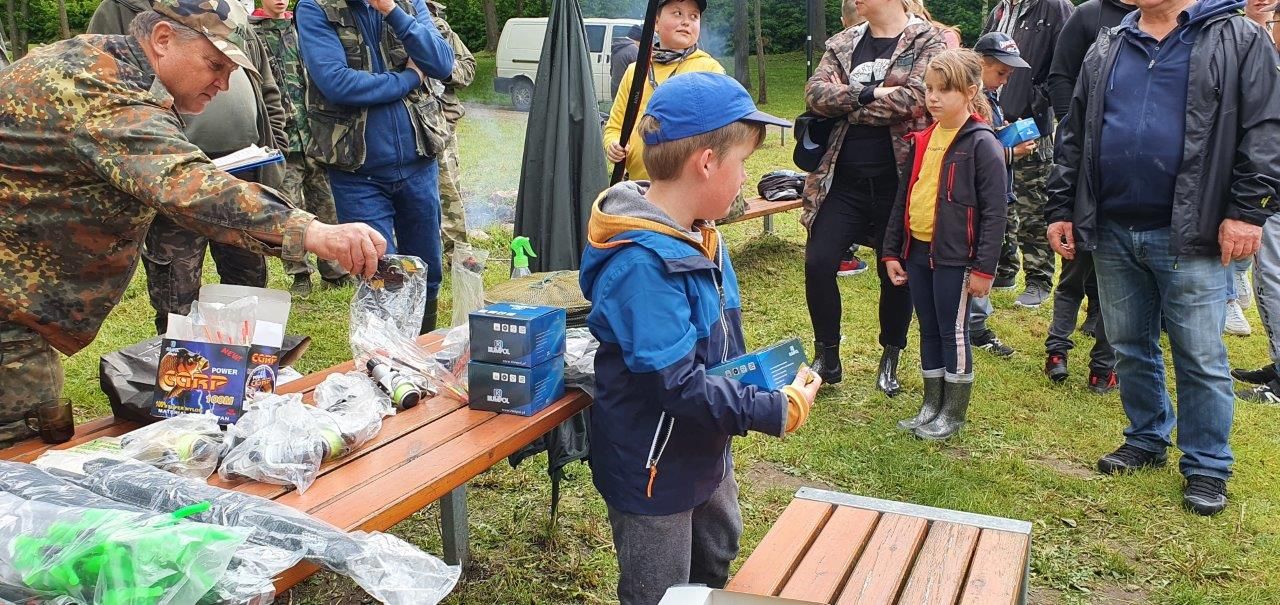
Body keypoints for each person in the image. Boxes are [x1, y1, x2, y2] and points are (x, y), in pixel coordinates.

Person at [0, 0, 386, 449]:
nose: (223, 84)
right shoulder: (104, 91)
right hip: (9, 314)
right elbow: (186, 184)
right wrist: (314, 232)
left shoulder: (97, 62)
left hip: (17, 302)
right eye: (214, 64)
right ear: (163, 39)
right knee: (17, 460)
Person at [580, 72, 819, 605]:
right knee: (660, 589)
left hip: (706, 443)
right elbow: (679, 385)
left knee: (715, 553)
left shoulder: (703, 236)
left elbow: (717, 350)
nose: (745, 178)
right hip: (653, 467)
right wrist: (772, 410)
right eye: (742, 164)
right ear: (706, 162)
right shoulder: (642, 266)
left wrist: (760, 378)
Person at [1047, 0, 1280, 515]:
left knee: (1199, 355)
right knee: (1129, 344)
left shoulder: (1238, 38)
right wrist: (1062, 205)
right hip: (1111, 228)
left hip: (1192, 232)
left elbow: (1267, 128)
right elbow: (1075, 130)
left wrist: (1248, 211)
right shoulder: (1108, 42)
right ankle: (1147, 438)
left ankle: (1207, 466)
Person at [88, 0, 289, 334]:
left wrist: (276, 149)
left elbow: (267, 89)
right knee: (176, 287)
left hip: (245, 167)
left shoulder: (231, 11)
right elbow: (107, 93)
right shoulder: (121, 9)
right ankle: (178, 365)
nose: (222, 81)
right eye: (214, 66)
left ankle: (242, 362)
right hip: (170, 175)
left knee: (248, 276)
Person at [801, 0, 945, 394]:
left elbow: (915, 99)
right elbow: (814, 94)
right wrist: (870, 94)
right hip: (842, 180)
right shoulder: (843, 42)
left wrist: (849, 101)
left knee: (895, 273)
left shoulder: (928, 41)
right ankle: (827, 355)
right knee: (818, 262)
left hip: (899, 183)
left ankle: (890, 357)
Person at [296, 0, 455, 333]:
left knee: (428, 271)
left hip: (418, 163)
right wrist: (409, 77)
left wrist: (392, 11)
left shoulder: (408, 4)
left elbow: (441, 63)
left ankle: (423, 354)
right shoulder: (316, 8)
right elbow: (338, 84)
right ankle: (388, 365)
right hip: (358, 172)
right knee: (382, 276)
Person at [882, 49, 1007, 441]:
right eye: (929, 89)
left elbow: (995, 213)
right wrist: (891, 250)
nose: (933, 97)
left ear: (970, 91)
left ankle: (952, 413)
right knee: (929, 328)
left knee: (954, 332)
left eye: (944, 90)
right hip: (918, 252)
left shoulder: (982, 144)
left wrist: (985, 268)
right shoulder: (923, 139)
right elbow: (905, 196)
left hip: (957, 258)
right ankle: (930, 405)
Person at [1043, 0, 1134, 390]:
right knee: (1082, 277)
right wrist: (1072, 123)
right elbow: (1059, 74)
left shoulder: (1175, 24)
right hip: (1085, 174)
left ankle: (1097, 364)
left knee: (1109, 285)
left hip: (1129, 185)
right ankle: (1065, 353)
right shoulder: (1087, 15)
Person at [251, 0, 354, 297]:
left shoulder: (304, 27)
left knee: (327, 205)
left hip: (316, 135)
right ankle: (299, 273)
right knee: (290, 209)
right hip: (283, 139)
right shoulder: (252, 34)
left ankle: (335, 270)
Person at [982, 0, 1074, 308]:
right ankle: (1005, 270)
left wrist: (1035, 101)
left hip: (1031, 125)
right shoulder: (1000, 9)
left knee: (1034, 205)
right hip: (995, 119)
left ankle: (1038, 279)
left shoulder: (1055, 7)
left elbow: (1068, 65)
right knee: (999, 199)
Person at [967, 32, 1034, 360]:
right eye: (1000, 73)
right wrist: (1012, 152)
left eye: (1009, 75)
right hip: (980, 197)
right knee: (979, 257)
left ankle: (973, 322)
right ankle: (975, 327)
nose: (1005, 80)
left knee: (985, 255)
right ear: (979, 64)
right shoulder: (971, 99)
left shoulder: (989, 96)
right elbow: (975, 156)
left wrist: (1004, 131)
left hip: (996, 193)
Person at [603, 0, 723, 182]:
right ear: (656, 23)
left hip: (688, 189)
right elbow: (615, 127)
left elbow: (721, 134)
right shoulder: (635, 71)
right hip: (639, 186)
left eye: (694, 16)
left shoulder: (709, 70)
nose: (686, 22)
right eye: (677, 13)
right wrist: (613, 144)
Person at [427, 0, 477, 260]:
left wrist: (442, 68)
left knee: (447, 189)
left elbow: (468, 69)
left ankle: (457, 254)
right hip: (400, 125)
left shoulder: (440, 28)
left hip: (441, 123)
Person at [611, 24, 642, 98]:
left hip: (615, 88)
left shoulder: (617, 47)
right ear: (638, 39)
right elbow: (640, 73)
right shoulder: (633, 49)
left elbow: (611, 71)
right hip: (626, 92)